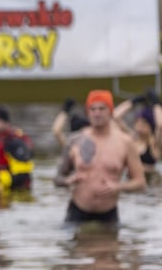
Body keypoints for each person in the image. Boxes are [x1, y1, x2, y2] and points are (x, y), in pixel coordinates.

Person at [55, 89, 146, 228]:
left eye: (101, 109)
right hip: (77, 210)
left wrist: (118, 187)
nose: (97, 113)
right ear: (88, 112)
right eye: (93, 109)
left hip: (108, 213)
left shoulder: (125, 142)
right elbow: (58, 178)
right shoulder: (75, 139)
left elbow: (140, 183)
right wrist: (68, 181)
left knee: (110, 249)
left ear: (110, 111)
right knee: (72, 248)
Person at [113, 88, 162, 182]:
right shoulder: (132, 138)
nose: (139, 126)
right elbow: (115, 116)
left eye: (143, 123)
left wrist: (156, 104)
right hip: (132, 181)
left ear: (150, 126)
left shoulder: (155, 143)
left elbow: (160, 125)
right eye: (137, 122)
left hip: (150, 182)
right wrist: (133, 101)